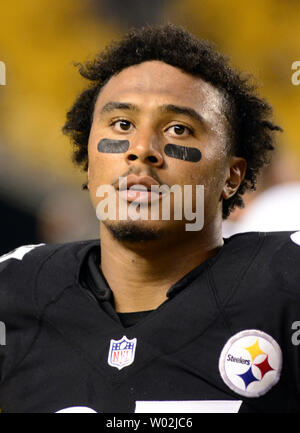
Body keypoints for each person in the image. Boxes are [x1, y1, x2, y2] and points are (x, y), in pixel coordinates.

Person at [0, 24, 299, 414]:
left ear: (232, 176)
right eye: (122, 124)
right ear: (88, 159)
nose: (142, 150)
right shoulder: (15, 291)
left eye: (178, 129)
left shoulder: (287, 285)